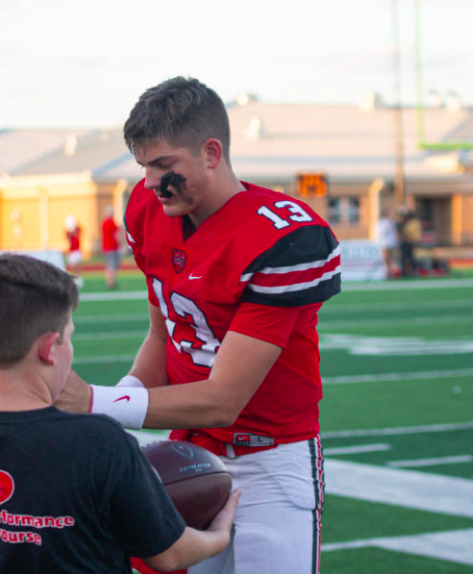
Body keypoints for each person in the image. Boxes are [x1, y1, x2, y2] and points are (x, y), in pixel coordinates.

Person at [58, 77, 341, 574]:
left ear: (212, 153)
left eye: (165, 166)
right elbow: (163, 336)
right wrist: (105, 414)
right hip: (188, 456)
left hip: (269, 460)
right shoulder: (148, 210)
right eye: (144, 166)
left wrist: (95, 402)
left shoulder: (285, 237)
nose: (150, 182)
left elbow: (223, 398)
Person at [0, 253, 239, 574]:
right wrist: (218, 535)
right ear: (48, 348)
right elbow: (167, 555)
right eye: (68, 338)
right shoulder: (99, 442)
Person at [101, 206, 121, 289]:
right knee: (112, 265)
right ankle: (111, 282)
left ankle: (108, 281)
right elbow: (116, 235)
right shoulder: (112, 223)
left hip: (106, 248)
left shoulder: (103, 223)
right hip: (112, 247)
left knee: (108, 265)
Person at [397, 207, 421, 277]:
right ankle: (408, 271)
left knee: (408, 257)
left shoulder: (412, 223)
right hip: (408, 242)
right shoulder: (413, 223)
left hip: (409, 242)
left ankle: (411, 271)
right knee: (407, 257)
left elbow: (406, 232)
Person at [377, 207, 399, 277]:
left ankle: (390, 272)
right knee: (385, 258)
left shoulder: (392, 223)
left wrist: (396, 242)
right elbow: (381, 232)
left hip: (391, 243)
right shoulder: (381, 222)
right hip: (384, 243)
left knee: (391, 258)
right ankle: (389, 270)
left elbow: (394, 233)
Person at [64, 214, 84, 287]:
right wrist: (70, 230)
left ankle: (78, 279)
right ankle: (74, 279)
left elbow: (79, 234)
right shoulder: (67, 231)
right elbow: (68, 238)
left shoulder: (78, 229)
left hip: (77, 250)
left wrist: (74, 227)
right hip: (71, 251)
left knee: (77, 266)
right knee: (72, 267)